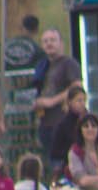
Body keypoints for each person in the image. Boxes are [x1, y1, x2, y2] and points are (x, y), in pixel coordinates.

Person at [32, 30, 83, 163]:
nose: (49, 44)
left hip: (63, 123)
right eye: (45, 41)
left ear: (61, 44)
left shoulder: (69, 63)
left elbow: (77, 87)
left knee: (63, 163)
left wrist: (52, 101)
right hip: (45, 123)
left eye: (53, 40)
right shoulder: (42, 66)